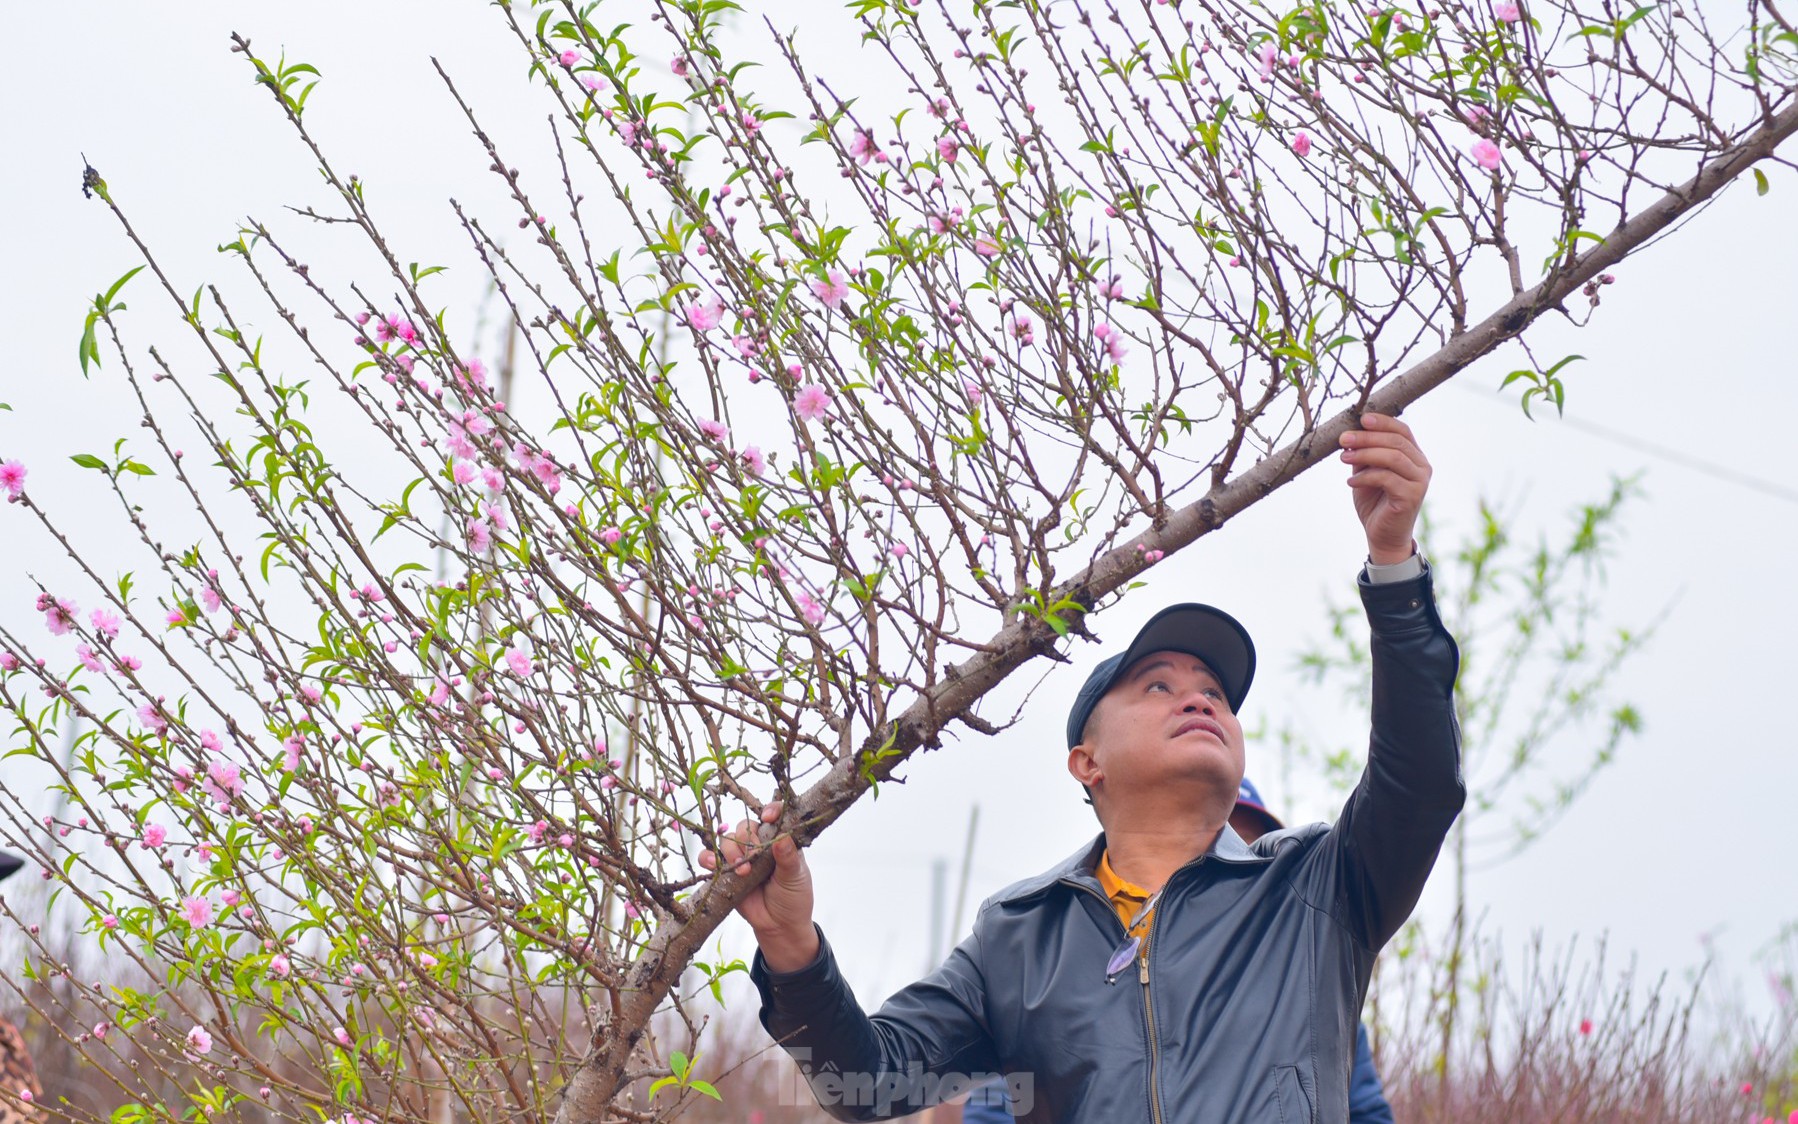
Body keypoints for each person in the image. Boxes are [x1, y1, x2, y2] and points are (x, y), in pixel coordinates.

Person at [704, 414, 1462, 1122]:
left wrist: (1393, 566)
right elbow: (867, 1083)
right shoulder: (1020, 937)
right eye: (1159, 685)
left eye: (1214, 693)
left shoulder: (1314, 891)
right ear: (1086, 763)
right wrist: (792, 948)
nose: (1198, 700)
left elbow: (1418, 783)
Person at [958, 778, 1397, 1124]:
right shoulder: (1070, 977)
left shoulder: (1313, 999)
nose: (1225, 868)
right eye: (1208, 851)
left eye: (1245, 851)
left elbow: (1366, 1113)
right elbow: (1001, 1103)